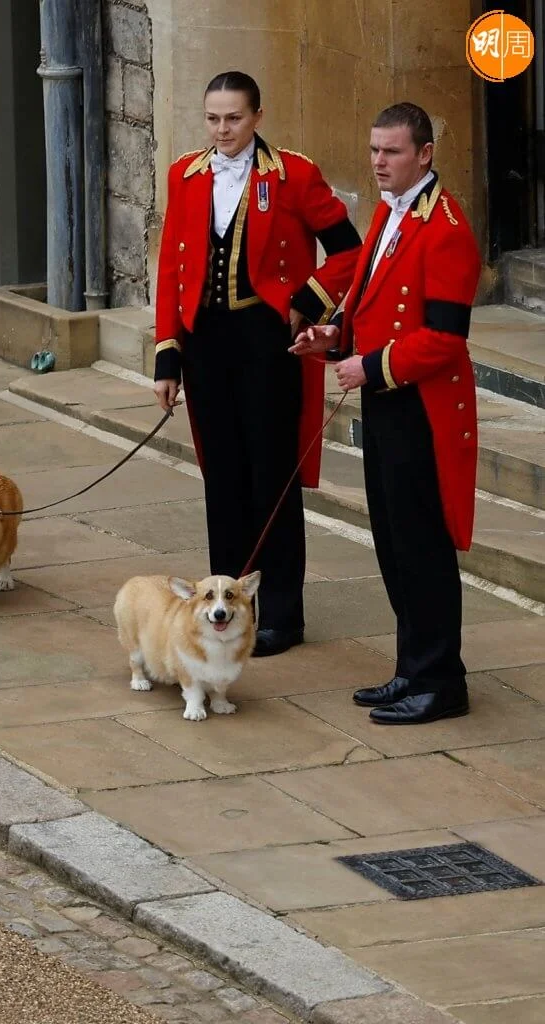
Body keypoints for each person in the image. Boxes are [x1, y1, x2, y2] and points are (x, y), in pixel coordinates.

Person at [153, 71, 361, 657]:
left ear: (258, 117)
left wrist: (307, 302)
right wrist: (167, 356)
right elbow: (171, 268)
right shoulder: (184, 175)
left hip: (269, 343)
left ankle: (283, 617)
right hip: (207, 345)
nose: (223, 130)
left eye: (234, 118)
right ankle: (227, 610)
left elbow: (349, 249)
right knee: (222, 478)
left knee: (272, 479)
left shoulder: (294, 174)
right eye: (213, 118)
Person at [292, 102, 481, 723]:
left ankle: (440, 682)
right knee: (394, 543)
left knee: (422, 545)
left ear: (424, 154)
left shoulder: (446, 227)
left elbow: (446, 338)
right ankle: (411, 669)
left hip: (422, 409)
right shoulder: (387, 212)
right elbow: (370, 305)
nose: (379, 162)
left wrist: (370, 367)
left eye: (392, 151)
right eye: (374, 150)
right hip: (388, 402)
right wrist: (333, 339)